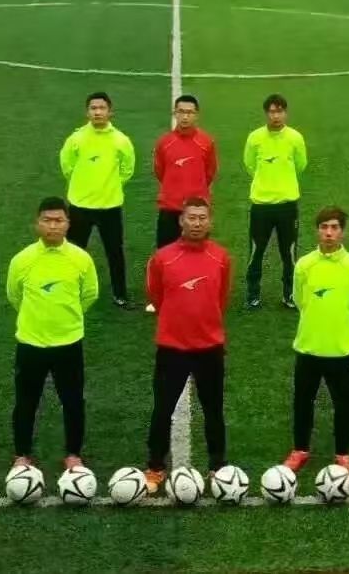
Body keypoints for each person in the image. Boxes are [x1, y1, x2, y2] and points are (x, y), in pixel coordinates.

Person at [142, 198, 231, 494]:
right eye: (191, 217)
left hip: (209, 347)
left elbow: (222, 297)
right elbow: (155, 296)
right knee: (162, 409)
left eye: (202, 217)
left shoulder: (221, 257)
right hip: (172, 348)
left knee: (213, 410)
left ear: (210, 221)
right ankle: (155, 466)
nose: (196, 223)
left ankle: (217, 465)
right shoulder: (162, 258)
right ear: (181, 221)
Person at [7, 197, 99, 470]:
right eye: (47, 220)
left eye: (58, 220)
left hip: (68, 342)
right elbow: (14, 295)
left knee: (72, 401)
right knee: (26, 402)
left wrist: (68, 319)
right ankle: (22, 454)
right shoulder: (22, 260)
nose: (53, 226)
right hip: (31, 342)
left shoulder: (81, 259)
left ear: (68, 224)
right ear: (37, 224)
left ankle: (73, 454)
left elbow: (90, 294)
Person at [283, 206, 349, 474]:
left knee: (343, 405)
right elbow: (299, 299)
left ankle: (343, 454)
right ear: (317, 231)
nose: (329, 233)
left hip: (340, 349)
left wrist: (341, 326)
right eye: (324, 227)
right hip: (308, 347)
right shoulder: (305, 265)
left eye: (334, 228)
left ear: (343, 232)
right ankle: (300, 450)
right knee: (303, 402)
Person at [59, 91, 135, 310]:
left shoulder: (121, 140)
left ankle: (120, 293)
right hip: (80, 205)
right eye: (93, 108)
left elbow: (127, 169)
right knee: (74, 251)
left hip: (109, 205)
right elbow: (67, 165)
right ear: (87, 112)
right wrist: (82, 185)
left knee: (115, 252)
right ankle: (71, 289)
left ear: (110, 112)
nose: (97, 112)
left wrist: (111, 185)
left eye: (102, 108)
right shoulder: (76, 139)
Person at [150, 94, 218, 312]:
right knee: (165, 254)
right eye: (181, 112)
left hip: (196, 210)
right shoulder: (164, 142)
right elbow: (160, 170)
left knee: (199, 254)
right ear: (175, 113)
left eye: (189, 112)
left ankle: (199, 294)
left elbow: (210, 172)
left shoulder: (206, 142)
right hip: (170, 207)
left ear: (196, 115)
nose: (185, 116)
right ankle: (162, 297)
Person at [243, 94, 307, 310]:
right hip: (261, 205)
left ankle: (289, 294)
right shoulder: (255, 138)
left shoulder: (295, 138)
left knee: (289, 254)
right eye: (272, 111)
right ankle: (252, 294)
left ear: (285, 113)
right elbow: (249, 165)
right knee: (256, 252)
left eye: (279, 111)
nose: (276, 116)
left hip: (287, 206)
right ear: (266, 113)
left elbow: (300, 165)